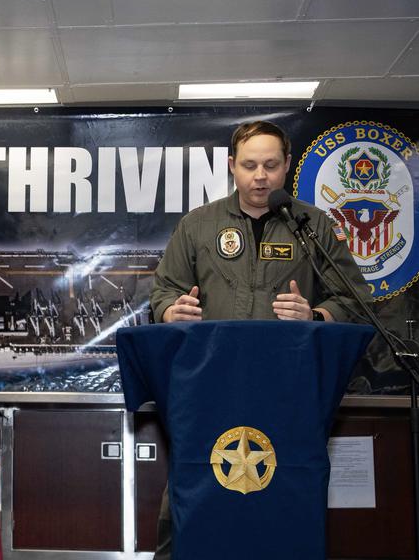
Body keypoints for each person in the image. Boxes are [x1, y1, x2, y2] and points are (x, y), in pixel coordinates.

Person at [148, 120, 372, 558]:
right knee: (194, 496)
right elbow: (163, 291)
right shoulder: (198, 225)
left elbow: (354, 299)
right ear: (231, 166)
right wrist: (172, 310)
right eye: (249, 165)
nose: (260, 176)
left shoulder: (313, 225)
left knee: (285, 501)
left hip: (287, 394)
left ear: (287, 165)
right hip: (210, 393)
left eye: (271, 164)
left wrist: (317, 314)